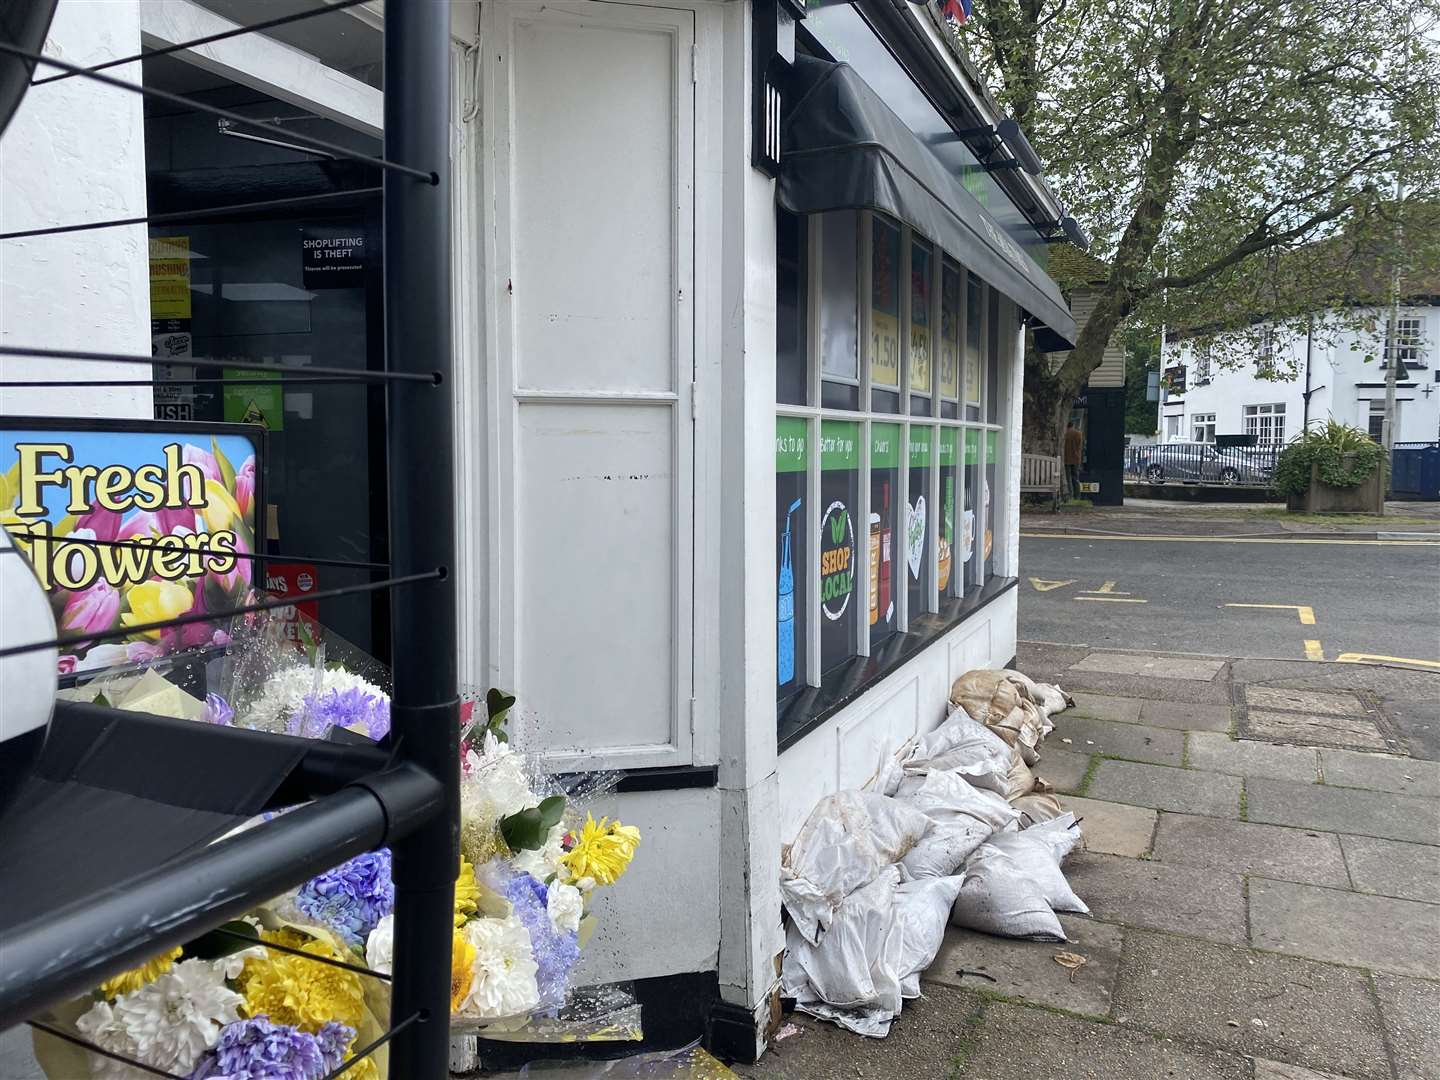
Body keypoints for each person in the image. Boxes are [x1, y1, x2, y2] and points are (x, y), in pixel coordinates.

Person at [1062, 420, 1084, 500]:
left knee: (1068, 478)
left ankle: (1070, 495)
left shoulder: (1065, 434)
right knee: (1075, 478)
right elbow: (1080, 446)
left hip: (1067, 459)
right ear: (1073, 425)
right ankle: (1077, 496)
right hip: (1076, 459)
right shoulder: (1078, 434)